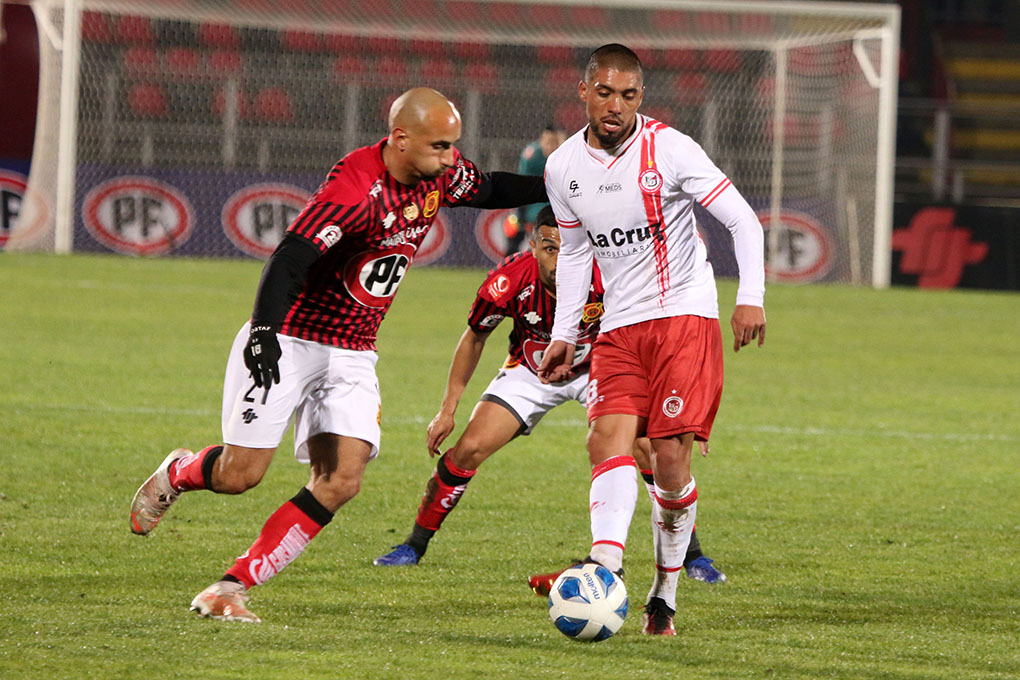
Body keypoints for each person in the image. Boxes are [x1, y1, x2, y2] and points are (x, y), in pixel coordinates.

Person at [128, 87, 548, 623]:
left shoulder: (437, 175)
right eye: (440, 146)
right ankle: (180, 471)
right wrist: (264, 333)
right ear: (400, 139)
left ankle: (230, 587)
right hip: (293, 339)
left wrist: (559, 185)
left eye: (452, 147)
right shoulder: (354, 189)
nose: (450, 159)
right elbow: (289, 259)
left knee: (342, 479)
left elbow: (489, 187)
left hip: (353, 351)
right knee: (240, 476)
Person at [537, 45, 766, 636]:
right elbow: (577, 252)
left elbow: (742, 219)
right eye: (606, 93)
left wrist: (751, 297)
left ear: (642, 96)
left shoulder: (670, 148)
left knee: (669, 460)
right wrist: (565, 334)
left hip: (684, 317)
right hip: (618, 326)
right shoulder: (563, 167)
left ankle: (663, 593)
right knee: (604, 438)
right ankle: (606, 564)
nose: (617, 106)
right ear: (583, 90)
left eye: (630, 95)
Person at [373, 206, 726, 587]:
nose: (558, 259)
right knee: (469, 448)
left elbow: (654, 341)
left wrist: (680, 416)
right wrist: (447, 409)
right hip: (530, 372)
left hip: (600, 367)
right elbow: (475, 336)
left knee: (647, 449)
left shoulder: (611, 279)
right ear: (533, 244)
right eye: (549, 248)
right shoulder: (509, 281)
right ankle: (414, 545)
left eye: (569, 248)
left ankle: (691, 555)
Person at [504, 125, 564, 256]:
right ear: (541, 141)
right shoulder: (531, 155)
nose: (550, 146)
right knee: (513, 229)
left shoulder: (567, 156)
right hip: (534, 204)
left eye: (554, 142)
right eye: (547, 142)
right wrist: (519, 214)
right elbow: (522, 185)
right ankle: (508, 266)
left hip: (558, 205)